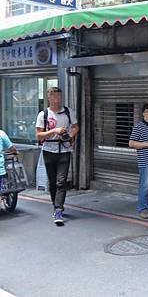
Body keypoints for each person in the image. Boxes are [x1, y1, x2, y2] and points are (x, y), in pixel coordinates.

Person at [36, 87, 79, 226]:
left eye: (59, 96)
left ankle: (58, 210)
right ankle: (56, 205)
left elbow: (76, 126)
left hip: (65, 151)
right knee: (53, 182)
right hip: (48, 150)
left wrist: (70, 136)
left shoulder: (68, 111)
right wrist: (54, 130)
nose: (58, 99)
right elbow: (39, 135)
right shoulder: (44, 114)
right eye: (54, 97)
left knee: (61, 182)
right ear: (49, 97)